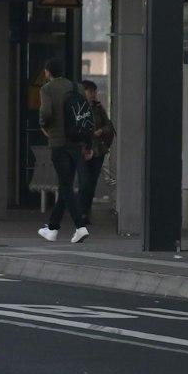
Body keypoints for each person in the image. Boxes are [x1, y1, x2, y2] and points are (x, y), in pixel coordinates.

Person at [35, 58, 86, 243]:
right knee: (65, 186)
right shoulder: (77, 88)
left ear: (48, 72)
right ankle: (53, 228)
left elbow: (46, 113)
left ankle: (80, 226)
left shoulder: (47, 89)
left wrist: (43, 125)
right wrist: (87, 143)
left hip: (59, 143)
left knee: (65, 186)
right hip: (77, 143)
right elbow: (84, 114)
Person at [76, 80, 116, 231]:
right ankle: (80, 213)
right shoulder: (76, 108)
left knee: (91, 183)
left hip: (98, 150)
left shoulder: (98, 108)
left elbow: (108, 125)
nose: (93, 94)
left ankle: (85, 213)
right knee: (84, 182)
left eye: (94, 91)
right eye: (90, 91)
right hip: (82, 150)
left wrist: (100, 131)